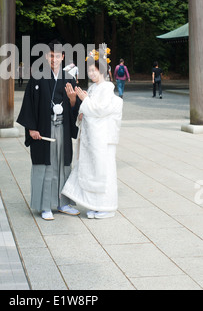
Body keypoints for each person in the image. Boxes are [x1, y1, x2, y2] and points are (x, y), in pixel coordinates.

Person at [17, 40, 81, 221]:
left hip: (63, 127)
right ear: (46, 56)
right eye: (51, 55)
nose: (54, 59)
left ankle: (63, 203)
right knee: (46, 165)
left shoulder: (69, 78)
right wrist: (31, 128)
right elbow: (29, 104)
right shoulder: (37, 77)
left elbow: (76, 109)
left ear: (63, 57)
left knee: (63, 164)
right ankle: (45, 206)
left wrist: (72, 100)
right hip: (43, 130)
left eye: (57, 56)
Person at [62, 50, 123, 219]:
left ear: (102, 70)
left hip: (101, 138)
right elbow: (90, 109)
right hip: (92, 137)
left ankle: (107, 206)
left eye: (94, 70)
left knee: (103, 170)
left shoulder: (107, 88)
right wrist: (82, 111)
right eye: (89, 71)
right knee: (93, 169)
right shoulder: (94, 87)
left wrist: (85, 101)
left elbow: (100, 110)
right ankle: (95, 204)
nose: (91, 73)